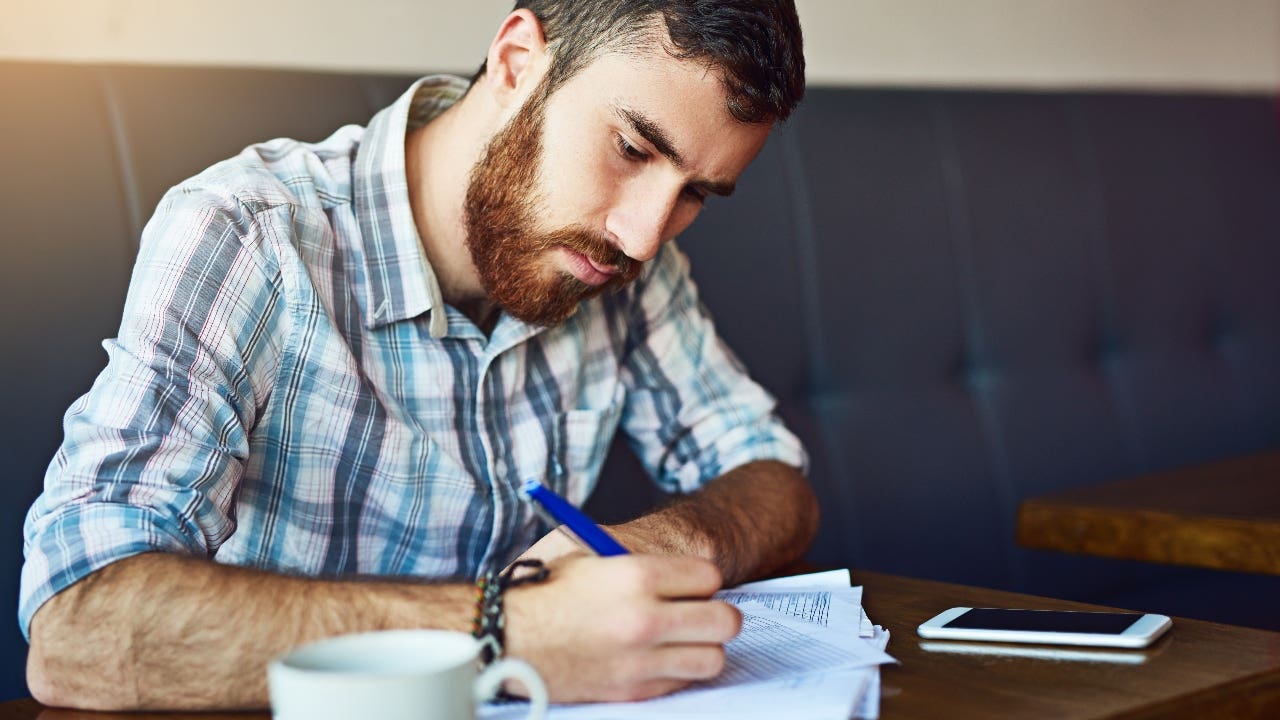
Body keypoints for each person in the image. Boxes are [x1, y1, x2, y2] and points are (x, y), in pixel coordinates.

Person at [20, 0, 816, 711]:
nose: (643, 232)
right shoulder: (250, 234)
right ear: (516, 63)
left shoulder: (627, 270)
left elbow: (775, 480)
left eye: (695, 195)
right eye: (633, 148)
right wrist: (504, 632)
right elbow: (78, 630)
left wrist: (674, 541)